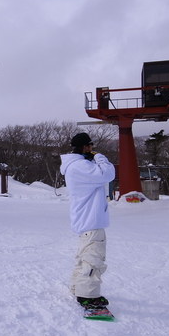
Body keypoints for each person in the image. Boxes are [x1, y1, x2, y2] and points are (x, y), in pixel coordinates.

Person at [59, 132, 115, 310]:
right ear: (85, 147)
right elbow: (108, 173)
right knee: (93, 260)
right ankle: (88, 295)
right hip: (91, 220)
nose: (92, 149)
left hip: (86, 219)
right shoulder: (80, 166)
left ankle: (77, 287)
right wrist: (100, 157)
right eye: (90, 146)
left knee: (84, 257)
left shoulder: (77, 166)